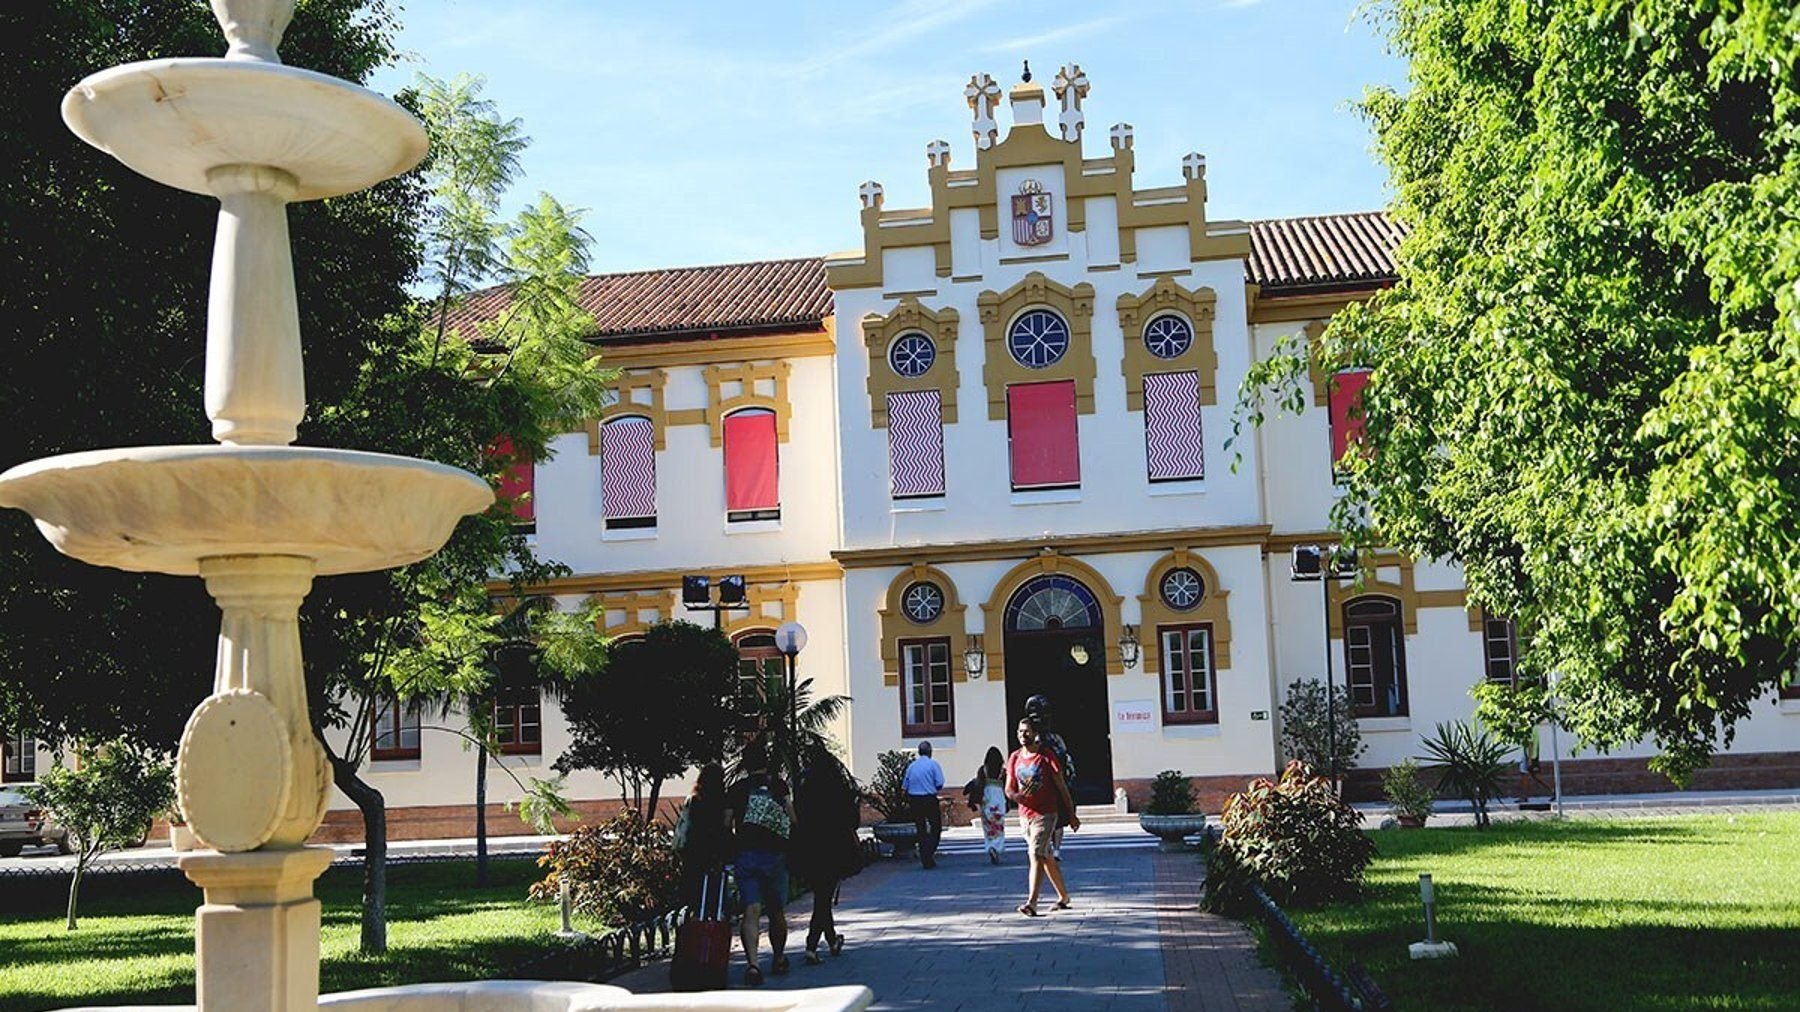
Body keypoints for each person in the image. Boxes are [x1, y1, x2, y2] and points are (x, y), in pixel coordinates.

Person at [726, 744, 794, 985]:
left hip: (746, 856)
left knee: (751, 910)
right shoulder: (779, 785)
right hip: (775, 855)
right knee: (776, 911)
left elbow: (727, 825)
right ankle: (778, 958)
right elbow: (792, 817)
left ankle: (753, 965)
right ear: (767, 761)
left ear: (745, 764)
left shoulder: (736, 789)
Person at [790, 748, 861, 965]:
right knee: (823, 896)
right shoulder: (836, 785)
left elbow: (796, 814)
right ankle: (811, 945)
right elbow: (852, 819)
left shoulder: (803, 785)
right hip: (834, 846)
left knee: (822, 894)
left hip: (809, 845)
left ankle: (831, 940)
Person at [1006, 716, 1078, 916]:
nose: (1022, 735)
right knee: (1045, 857)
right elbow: (1009, 788)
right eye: (1019, 731)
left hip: (1046, 814)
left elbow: (1061, 787)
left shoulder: (1046, 757)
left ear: (1035, 733)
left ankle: (1032, 902)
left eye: (1026, 731)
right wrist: (1016, 796)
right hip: (1025, 816)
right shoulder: (1014, 758)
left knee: (1036, 853)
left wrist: (1071, 814)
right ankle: (1064, 897)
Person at [1024, 694, 1077, 856]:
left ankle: (1055, 848)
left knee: (1057, 818)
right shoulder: (1034, 740)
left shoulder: (1054, 739)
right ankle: (1051, 848)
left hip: (1055, 780)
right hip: (1042, 784)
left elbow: (1065, 758)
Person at [674, 762, 731, 911]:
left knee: (693, 896)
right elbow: (725, 827)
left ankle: (694, 925)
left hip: (693, 851)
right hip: (714, 851)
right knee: (715, 894)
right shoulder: (723, 801)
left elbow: (685, 826)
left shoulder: (693, 800)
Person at [901, 741, 946, 868]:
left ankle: (924, 854)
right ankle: (928, 852)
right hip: (929, 798)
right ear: (930, 752)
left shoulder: (912, 766)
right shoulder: (933, 765)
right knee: (935, 827)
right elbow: (939, 783)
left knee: (920, 828)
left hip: (915, 799)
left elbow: (905, 785)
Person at [975, 746, 1008, 864]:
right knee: (998, 825)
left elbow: (978, 785)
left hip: (987, 797)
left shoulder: (983, 770)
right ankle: (997, 847)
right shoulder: (1003, 772)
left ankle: (990, 846)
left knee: (987, 825)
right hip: (999, 797)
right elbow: (1006, 787)